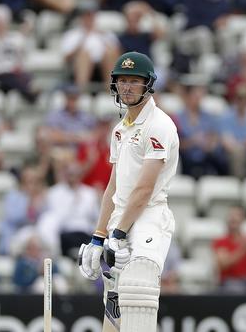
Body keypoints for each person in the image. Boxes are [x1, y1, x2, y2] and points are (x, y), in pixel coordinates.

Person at [77, 52, 179, 331]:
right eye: (122, 81)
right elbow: (114, 186)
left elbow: (144, 188)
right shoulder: (120, 130)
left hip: (148, 217)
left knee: (138, 288)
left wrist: (118, 234)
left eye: (134, 81)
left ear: (148, 84)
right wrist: (99, 237)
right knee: (114, 303)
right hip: (120, 220)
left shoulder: (159, 125)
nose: (127, 87)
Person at [212, 206, 246, 294]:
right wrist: (242, 249)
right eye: (231, 215)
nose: (233, 218)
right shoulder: (221, 241)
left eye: (237, 215)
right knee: (237, 290)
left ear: (243, 219)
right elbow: (223, 264)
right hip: (229, 281)